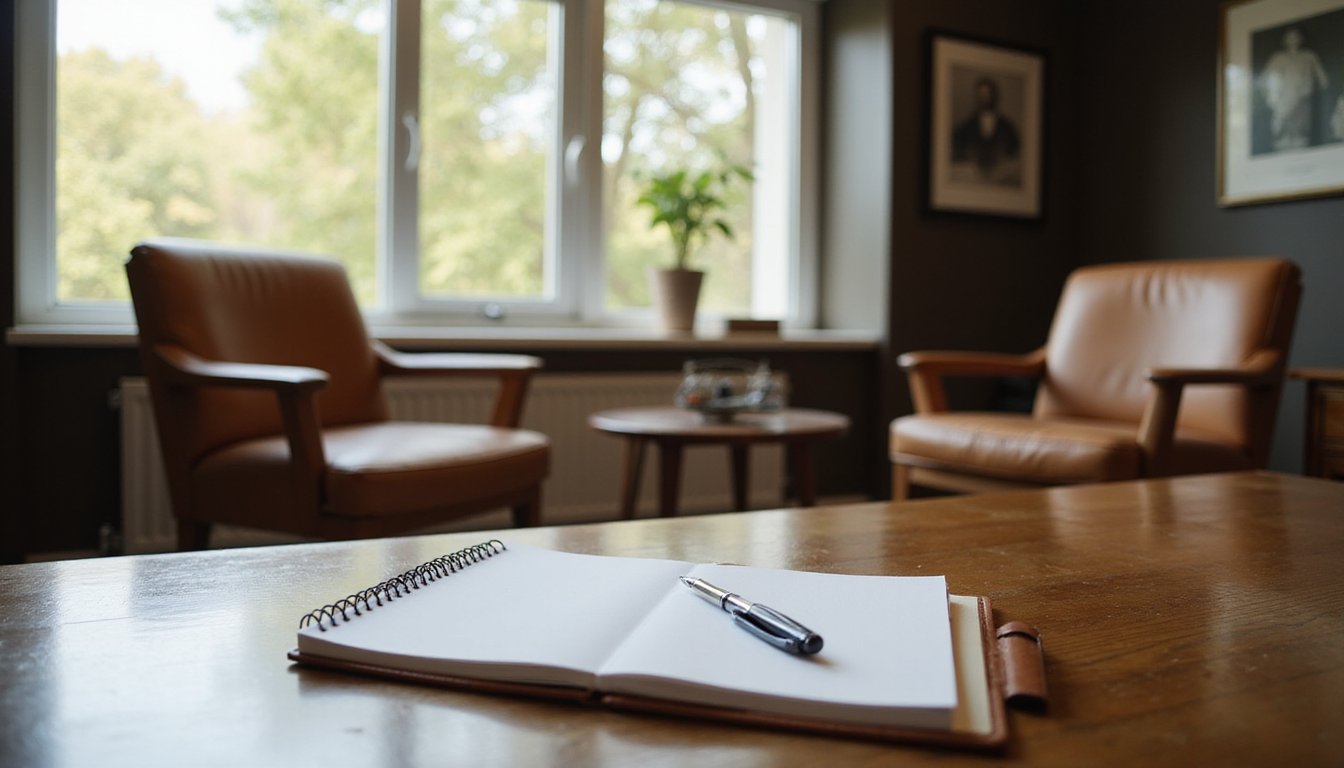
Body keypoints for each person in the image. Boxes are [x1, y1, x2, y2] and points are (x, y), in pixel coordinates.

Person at [1259, 27, 1329, 151]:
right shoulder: (1277, 58)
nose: (1293, 40)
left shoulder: (1309, 56)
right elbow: (1263, 80)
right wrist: (1271, 98)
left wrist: (1309, 88)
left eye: (1296, 37)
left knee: (1301, 135)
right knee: (1281, 135)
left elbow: (1323, 79)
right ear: (1285, 40)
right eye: (1290, 37)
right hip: (1283, 101)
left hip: (1302, 99)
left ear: (1301, 39)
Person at [951, 76, 1021, 185]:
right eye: (980, 95)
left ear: (994, 95)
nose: (984, 98)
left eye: (987, 94)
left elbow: (1014, 152)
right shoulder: (966, 127)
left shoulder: (1007, 127)